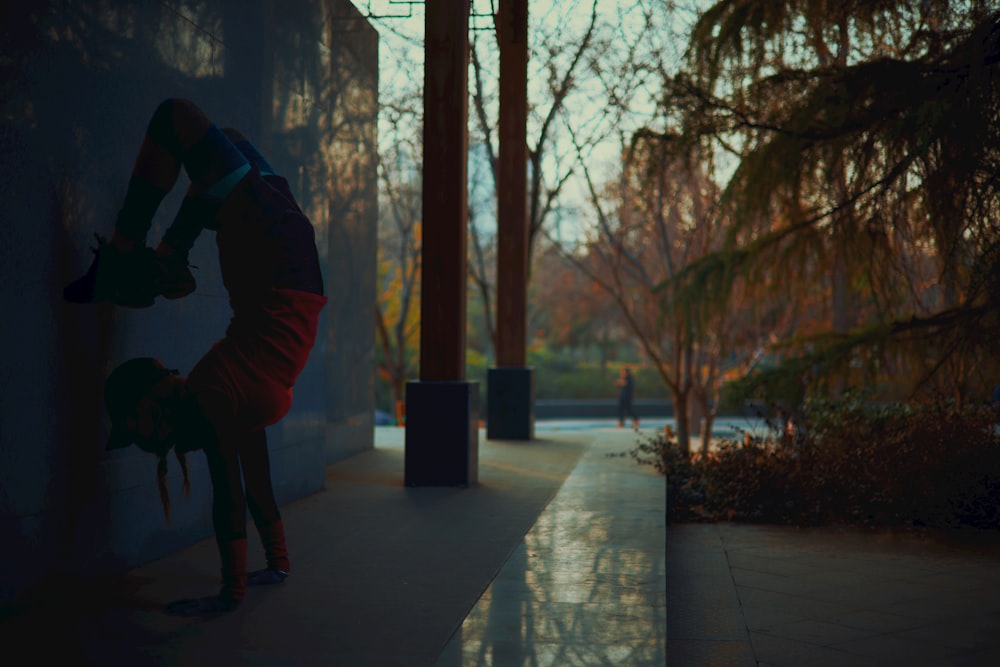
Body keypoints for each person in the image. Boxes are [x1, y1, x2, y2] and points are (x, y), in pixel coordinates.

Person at [63, 98, 327, 615]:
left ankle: (156, 259)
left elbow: (250, 484)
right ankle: (146, 257)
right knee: (174, 117)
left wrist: (273, 565)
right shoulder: (214, 400)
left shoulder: (222, 396)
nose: (136, 434)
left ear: (156, 386)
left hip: (286, 261)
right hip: (275, 257)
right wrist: (234, 589)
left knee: (220, 138)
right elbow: (235, 490)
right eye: (134, 432)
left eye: (130, 423)